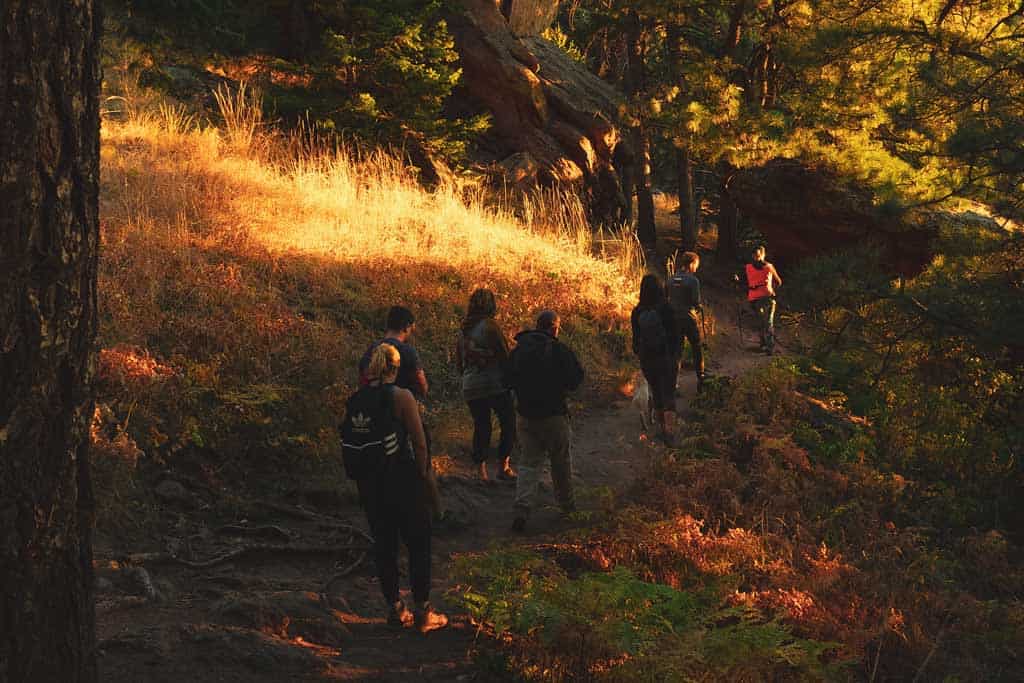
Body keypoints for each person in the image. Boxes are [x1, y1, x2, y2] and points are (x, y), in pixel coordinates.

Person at [344, 343, 448, 633]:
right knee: (418, 543)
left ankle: (394, 608)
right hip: (403, 480)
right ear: (395, 367)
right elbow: (419, 441)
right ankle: (423, 612)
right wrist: (424, 475)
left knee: (385, 545)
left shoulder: (356, 399)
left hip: (370, 485)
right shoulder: (401, 396)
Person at [507, 311, 584, 532]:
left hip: (525, 415)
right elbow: (576, 380)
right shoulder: (559, 350)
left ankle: (522, 510)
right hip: (554, 416)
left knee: (528, 463)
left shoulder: (519, 349)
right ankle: (567, 508)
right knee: (560, 462)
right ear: (554, 328)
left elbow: (506, 378)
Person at [455, 288, 517, 483]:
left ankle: (480, 472)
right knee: (508, 422)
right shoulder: (490, 326)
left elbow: (459, 363)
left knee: (482, 426)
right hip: (494, 384)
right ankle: (503, 467)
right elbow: (505, 356)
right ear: (491, 305)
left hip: (470, 385)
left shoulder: (462, 329)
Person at [631, 274, 682, 442]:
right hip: (666, 358)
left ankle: (661, 430)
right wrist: (675, 356)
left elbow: (635, 342)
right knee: (669, 395)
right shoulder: (666, 308)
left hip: (648, 360)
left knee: (657, 394)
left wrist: (642, 353)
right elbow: (676, 335)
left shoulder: (637, 311)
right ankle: (671, 433)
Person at [358, 306, 428, 398]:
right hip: (400, 407)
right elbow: (422, 386)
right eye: (412, 329)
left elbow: (362, 381)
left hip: (371, 407)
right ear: (406, 327)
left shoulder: (372, 348)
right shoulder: (408, 351)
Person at [667, 251, 706, 393]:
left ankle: (672, 383)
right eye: (696, 265)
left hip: (673, 319)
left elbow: (667, 300)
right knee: (697, 346)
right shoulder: (693, 281)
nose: (696, 268)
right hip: (688, 318)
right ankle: (701, 379)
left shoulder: (670, 279)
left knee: (676, 351)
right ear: (691, 264)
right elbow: (696, 302)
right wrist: (699, 307)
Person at [744, 245, 783, 354]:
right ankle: (769, 347)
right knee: (768, 321)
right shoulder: (769, 267)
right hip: (767, 297)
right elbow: (779, 281)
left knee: (760, 321)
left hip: (754, 298)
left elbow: (744, 282)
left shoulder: (748, 267)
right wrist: (773, 290)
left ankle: (763, 345)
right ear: (763, 254)